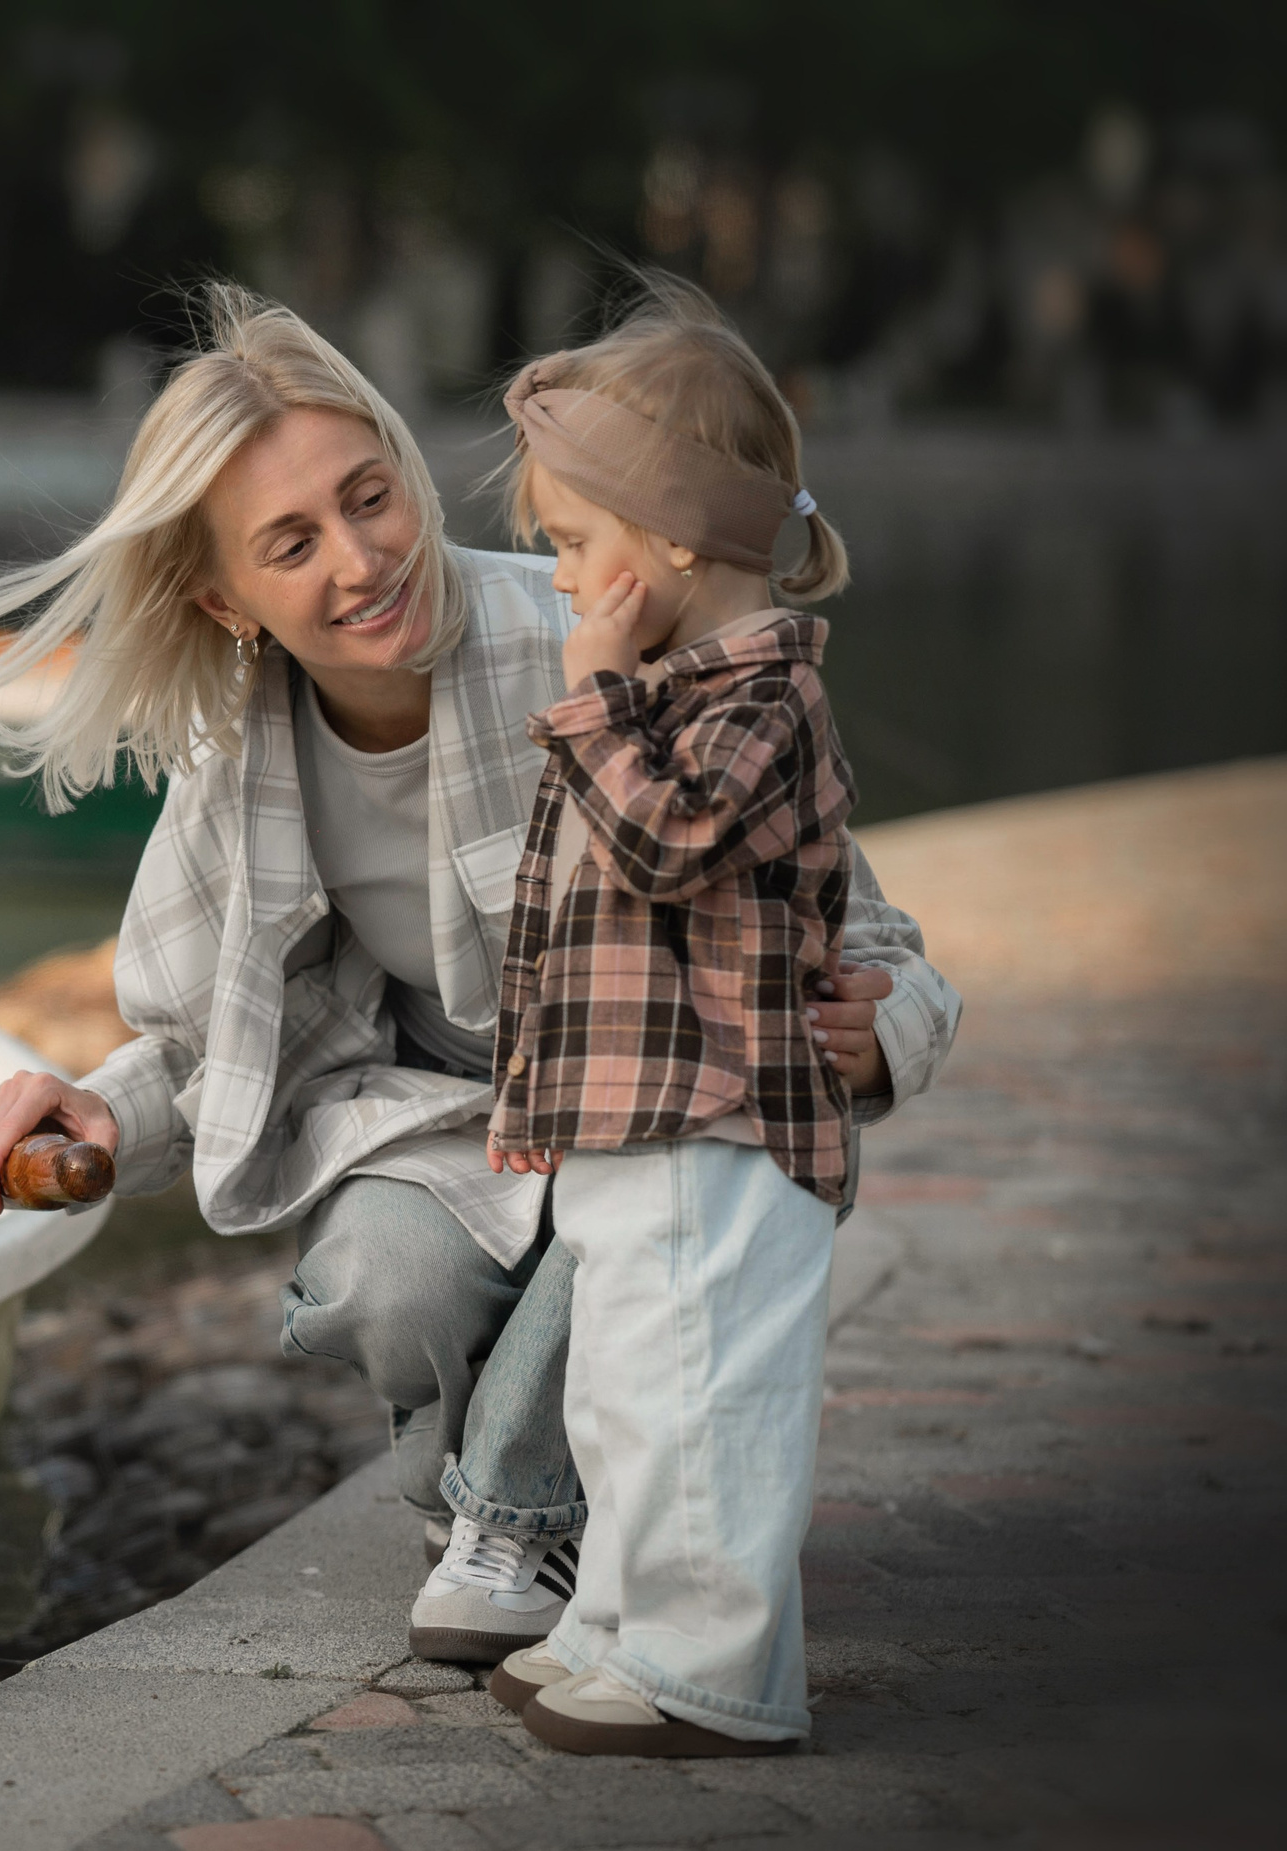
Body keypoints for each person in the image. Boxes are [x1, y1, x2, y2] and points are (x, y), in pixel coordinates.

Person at [0, 284, 959, 1669]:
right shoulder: (240, 765)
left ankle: (514, 1509)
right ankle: (522, 1506)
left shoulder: (593, 647)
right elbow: (216, 1043)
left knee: (646, 1214)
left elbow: (868, 931)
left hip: (677, 1098)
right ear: (228, 597)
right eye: (292, 541)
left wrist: (890, 1035)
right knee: (384, 1276)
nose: (363, 557)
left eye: (371, 496)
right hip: (450, 1115)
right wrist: (98, 1111)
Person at [474, 280, 870, 1756]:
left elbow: (663, 848)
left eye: (577, 544)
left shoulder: (762, 699)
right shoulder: (652, 698)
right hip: (637, 1120)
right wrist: (536, 1103)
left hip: (726, 1125)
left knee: (711, 1399)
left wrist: (589, 701)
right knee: (628, 1390)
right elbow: (559, 919)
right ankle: (622, 1623)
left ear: (679, 540)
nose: (565, 582)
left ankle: (719, 1672)